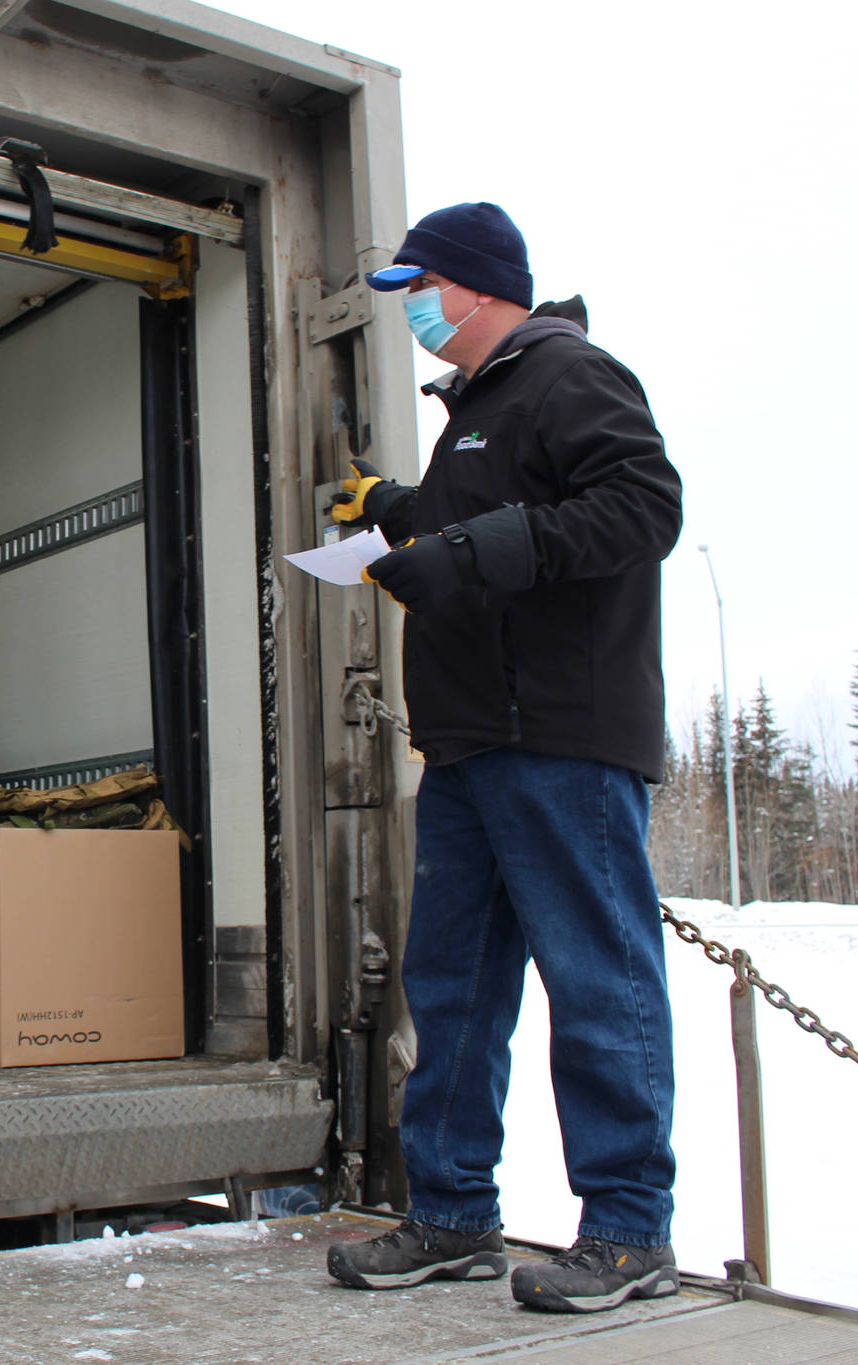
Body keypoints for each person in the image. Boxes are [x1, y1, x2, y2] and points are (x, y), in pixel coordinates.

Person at [322, 202, 684, 1313]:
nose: (410, 312)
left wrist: (466, 549)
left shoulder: (569, 374)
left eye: (416, 289)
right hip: (472, 744)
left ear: (474, 285)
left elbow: (640, 505)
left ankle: (627, 1232)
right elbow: (473, 513)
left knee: (594, 979)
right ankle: (450, 1215)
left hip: (560, 741)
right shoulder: (474, 412)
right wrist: (394, 511)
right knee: (453, 987)